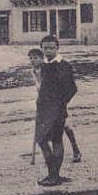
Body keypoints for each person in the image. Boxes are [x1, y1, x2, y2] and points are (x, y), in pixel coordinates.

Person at [34, 36, 78, 186]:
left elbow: (72, 89)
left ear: (57, 48)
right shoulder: (43, 66)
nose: (48, 51)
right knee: (43, 140)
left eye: (51, 48)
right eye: (45, 48)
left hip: (56, 110)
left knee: (55, 140)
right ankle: (54, 174)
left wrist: (59, 104)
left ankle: (54, 176)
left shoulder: (63, 65)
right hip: (43, 110)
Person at [28, 48, 82, 164]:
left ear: (42, 59)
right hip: (44, 103)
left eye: (35, 58)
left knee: (64, 125)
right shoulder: (34, 71)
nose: (33, 60)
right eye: (31, 58)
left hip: (56, 102)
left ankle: (75, 149)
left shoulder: (49, 69)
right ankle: (49, 156)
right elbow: (39, 87)